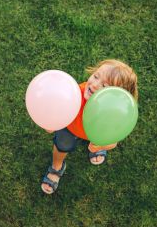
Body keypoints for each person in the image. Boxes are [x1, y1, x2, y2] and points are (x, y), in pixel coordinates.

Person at [41, 59, 138, 194]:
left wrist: (100, 145)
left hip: (95, 132)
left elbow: (112, 142)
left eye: (104, 86)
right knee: (62, 146)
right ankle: (56, 166)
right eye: (96, 76)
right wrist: (52, 122)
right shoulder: (74, 94)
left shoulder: (114, 113)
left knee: (98, 140)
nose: (94, 85)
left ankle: (95, 145)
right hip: (70, 127)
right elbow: (58, 110)